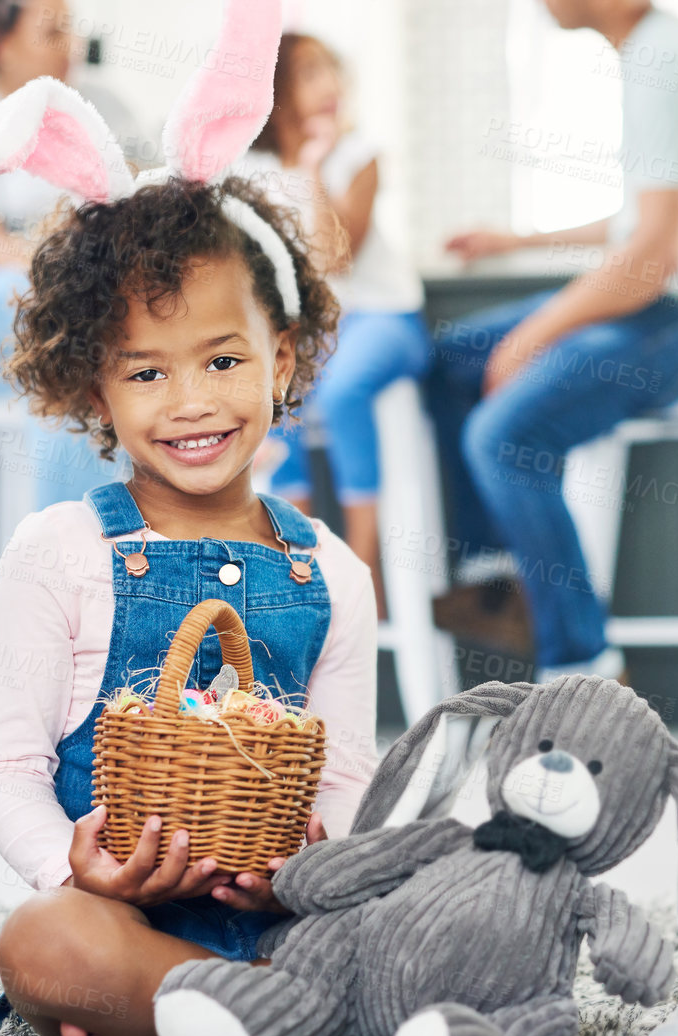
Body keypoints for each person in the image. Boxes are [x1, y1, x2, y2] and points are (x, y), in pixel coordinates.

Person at [0, 171, 375, 1036]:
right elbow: (4, 767)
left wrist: (300, 876)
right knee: (41, 943)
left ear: (282, 359)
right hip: (115, 922)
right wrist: (71, 872)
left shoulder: (335, 573)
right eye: (147, 371)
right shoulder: (59, 550)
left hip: (278, 928)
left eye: (223, 360)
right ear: (92, 390)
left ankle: (207, 1016)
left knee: (426, 893)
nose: (191, 400)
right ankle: (276, 1018)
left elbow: (345, 779)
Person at [429, 0, 678, 680]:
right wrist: (518, 241)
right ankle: (500, 578)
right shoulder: (653, 54)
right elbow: (642, 219)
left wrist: (532, 336)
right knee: (452, 358)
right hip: (675, 300)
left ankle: (584, 667)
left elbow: (656, 255)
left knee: (505, 436)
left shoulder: (668, 60)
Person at [237, 33, 431, 617]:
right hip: (312, 329)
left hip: (383, 318)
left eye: (331, 72)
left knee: (343, 391)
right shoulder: (253, 173)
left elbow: (336, 258)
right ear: (274, 93)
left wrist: (314, 169)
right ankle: (297, 568)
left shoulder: (360, 154)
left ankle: (363, 578)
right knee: (279, 398)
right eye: (309, 75)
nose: (330, 87)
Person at [0, 0, 135, 508]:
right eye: (52, 32)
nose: (71, 47)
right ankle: (89, 551)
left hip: (91, 314)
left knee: (92, 346)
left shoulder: (104, 109)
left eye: (71, 31)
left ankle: (102, 556)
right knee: (72, 326)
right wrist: (69, 274)